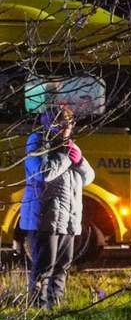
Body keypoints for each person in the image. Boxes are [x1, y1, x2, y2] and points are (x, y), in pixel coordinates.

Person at [20, 106, 95, 309]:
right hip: (45, 218)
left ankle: (56, 308)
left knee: (62, 267)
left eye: (68, 124)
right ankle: (38, 309)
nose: (65, 128)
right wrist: (66, 156)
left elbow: (89, 177)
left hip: (68, 219)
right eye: (61, 124)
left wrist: (78, 160)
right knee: (44, 268)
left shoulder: (69, 146)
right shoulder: (37, 142)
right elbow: (44, 173)